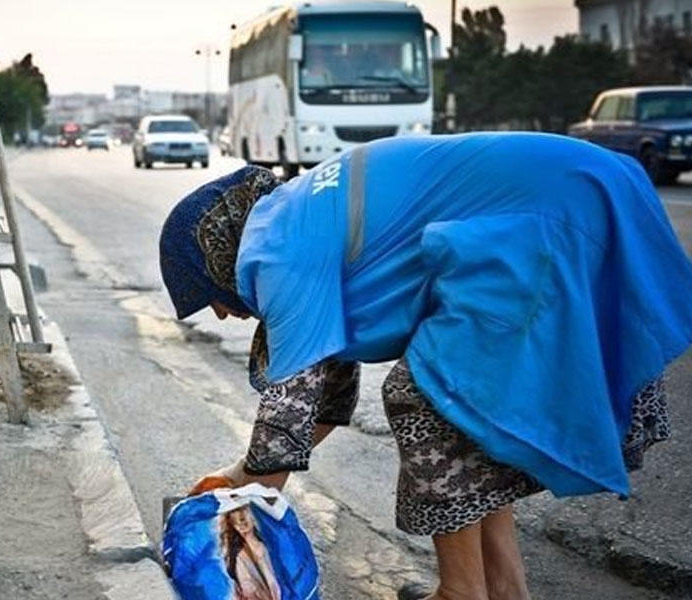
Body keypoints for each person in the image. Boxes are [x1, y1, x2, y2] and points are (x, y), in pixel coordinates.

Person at [159, 133, 692, 600]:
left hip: (553, 211)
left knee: (434, 394)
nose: (225, 313)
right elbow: (325, 402)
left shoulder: (275, 251)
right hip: (584, 186)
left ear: (214, 256)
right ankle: (502, 590)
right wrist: (235, 479)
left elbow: (287, 423)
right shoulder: (295, 217)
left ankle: (462, 591)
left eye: (210, 297)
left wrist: (233, 505)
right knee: (471, 413)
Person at [219, 505, 282, 600]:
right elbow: (248, 589)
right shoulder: (239, 557)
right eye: (237, 522)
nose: (241, 521)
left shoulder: (270, 543)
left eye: (243, 511)